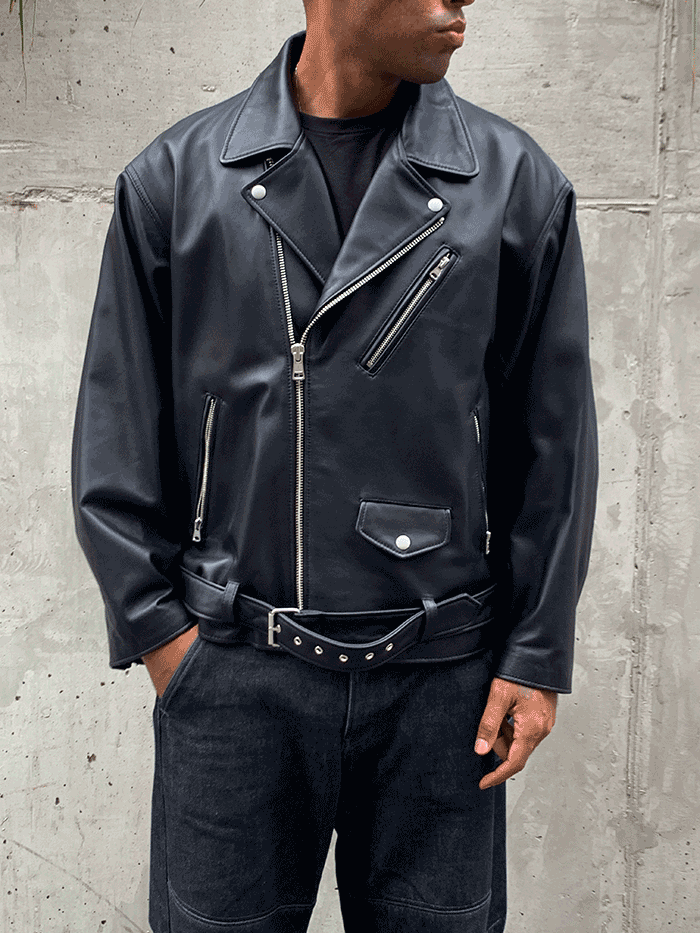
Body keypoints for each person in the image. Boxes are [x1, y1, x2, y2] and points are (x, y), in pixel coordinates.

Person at [71, 1, 598, 931]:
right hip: (237, 676)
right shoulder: (180, 179)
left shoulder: (515, 185)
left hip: (444, 686)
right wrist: (165, 642)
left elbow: (552, 448)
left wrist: (535, 652)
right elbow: (116, 437)